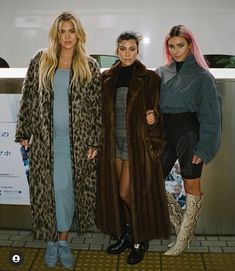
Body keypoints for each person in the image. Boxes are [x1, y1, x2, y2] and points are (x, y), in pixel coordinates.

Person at [15, 11, 102, 268]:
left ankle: (62, 240)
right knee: (46, 192)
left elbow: (96, 107)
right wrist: (23, 132)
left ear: (79, 34)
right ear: (56, 33)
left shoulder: (89, 66)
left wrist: (94, 141)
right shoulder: (40, 60)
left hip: (75, 143)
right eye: (63, 31)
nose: (67, 36)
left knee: (65, 190)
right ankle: (51, 240)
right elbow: (28, 97)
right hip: (44, 141)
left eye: (72, 31)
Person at [96, 31, 170, 265]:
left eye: (131, 48)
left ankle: (140, 239)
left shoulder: (150, 78)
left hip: (136, 145)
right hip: (112, 144)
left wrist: (155, 117)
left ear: (138, 50)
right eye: (122, 48)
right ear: (116, 51)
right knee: (118, 195)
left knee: (127, 193)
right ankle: (128, 235)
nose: (127, 53)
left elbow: (159, 110)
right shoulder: (107, 77)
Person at [156, 25, 222, 256]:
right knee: (150, 179)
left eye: (180, 45)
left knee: (191, 185)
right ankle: (180, 225)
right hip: (165, 133)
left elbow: (212, 116)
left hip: (189, 134)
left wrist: (204, 149)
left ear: (190, 45)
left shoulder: (204, 77)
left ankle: (183, 239)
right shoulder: (161, 72)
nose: (175, 50)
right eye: (171, 46)